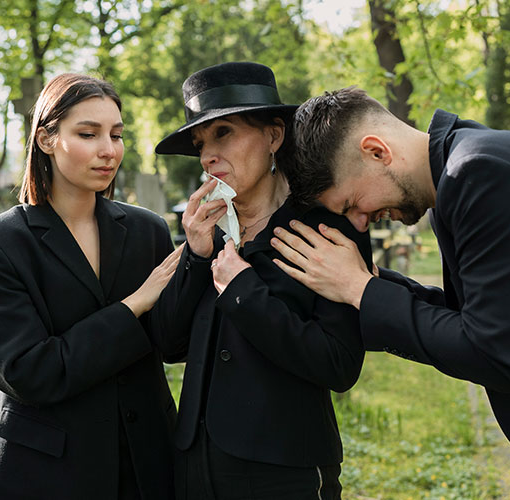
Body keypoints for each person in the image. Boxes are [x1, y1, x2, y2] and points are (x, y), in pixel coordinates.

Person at [270, 86, 510, 499]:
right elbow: (481, 314)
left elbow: (496, 353)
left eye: (351, 202)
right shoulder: (466, 164)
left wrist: (362, 289)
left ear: (377, 151)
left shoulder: (479, 174)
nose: (359, 223)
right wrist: (367, 285)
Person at [150, 62, 373, 499]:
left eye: (224, 133)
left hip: (284, 470)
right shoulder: (208, 232)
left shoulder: (326, 228)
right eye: (200, 143)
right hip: (195, 467)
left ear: (274, 136)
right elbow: (169, 344)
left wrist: (244, 292)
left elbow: (340, 364)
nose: (207, 155)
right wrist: (195, 257)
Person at [0, 73, 183, 500]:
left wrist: (200, 252)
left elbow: (174, 343)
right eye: (88, 133)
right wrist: (133, 306)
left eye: (116, 135)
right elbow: (32, 373)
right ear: (47, 139)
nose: (108, 150)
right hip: (46, 470)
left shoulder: (148, 231)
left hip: (146, 464)